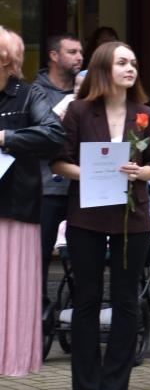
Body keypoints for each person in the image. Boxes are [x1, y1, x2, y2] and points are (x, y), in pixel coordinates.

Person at [51, 42, 150, 390]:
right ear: (103, 68)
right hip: (87, 216)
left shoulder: (147, 114)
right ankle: (86, 387)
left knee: (127, 300)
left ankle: (115, 386)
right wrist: (94, 174)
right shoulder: (79, 111)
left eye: (134, 63)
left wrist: (139, 172)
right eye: (122, 63)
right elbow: (59, 162)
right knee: (87, 299)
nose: (130, 69)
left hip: (133, 218)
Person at [0, 27, 65, 380]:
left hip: (14, 208)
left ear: (4, 59)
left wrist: (6, 137)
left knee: (9, 296)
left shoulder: (29, 95)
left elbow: (54, 134)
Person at [33, 33, 84, 310]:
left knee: (84, 255)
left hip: (82, 187)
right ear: (54, 56)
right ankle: (37, 311)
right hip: (47, 186)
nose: (80, 57)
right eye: (72, 52)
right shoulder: (34, 93)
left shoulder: (88, 90)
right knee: (39, 254)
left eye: (81, 52)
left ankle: (79, 309)